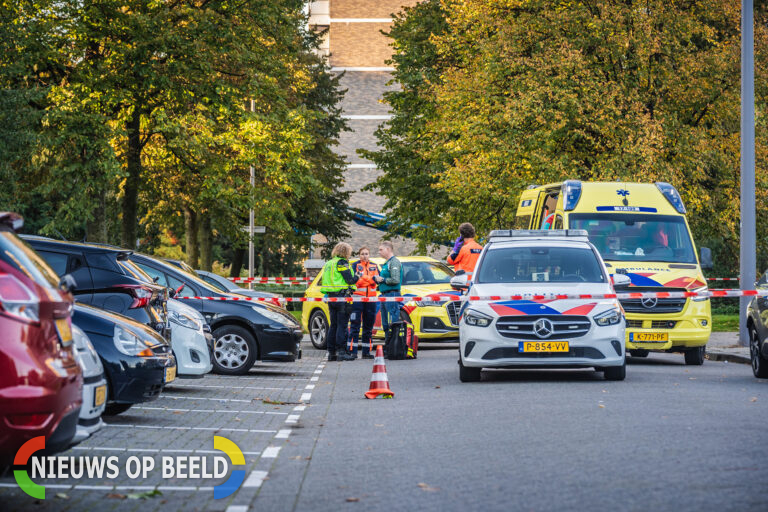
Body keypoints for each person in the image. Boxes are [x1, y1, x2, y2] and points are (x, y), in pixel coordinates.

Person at [319, 242, 357, 361]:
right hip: (342, 297)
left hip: (331, 298)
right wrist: (357, 276)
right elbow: (349, 280)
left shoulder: (329, 263)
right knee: (342, 325)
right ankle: (341, 351)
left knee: (333, 325)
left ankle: (332, 353)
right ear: (346, 252)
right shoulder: (342, 262)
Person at [349, 246, 380, 359]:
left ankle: (366, 352)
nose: (365, 256)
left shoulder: (374, 265)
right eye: (362, 254)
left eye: (366, 253)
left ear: (369, 254)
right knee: (355, 326)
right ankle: (352, 351)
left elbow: (379, 279)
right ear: (359, 255)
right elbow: (356, 281)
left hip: (371, 300)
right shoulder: (355, 265)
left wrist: (368, 279)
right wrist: (371, 280)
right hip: (357, 299)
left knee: (368, 327)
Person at [373, 241, 402, 343]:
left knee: (392, 321)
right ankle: (388, 345)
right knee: (385, 323)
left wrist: (383, 280)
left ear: (388, 249)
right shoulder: (386, 263)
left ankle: (394, 344)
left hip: (392, 294)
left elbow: (395, 280)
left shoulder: (394, 262)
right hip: (385, 294)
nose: (379, 252)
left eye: (381, 249)